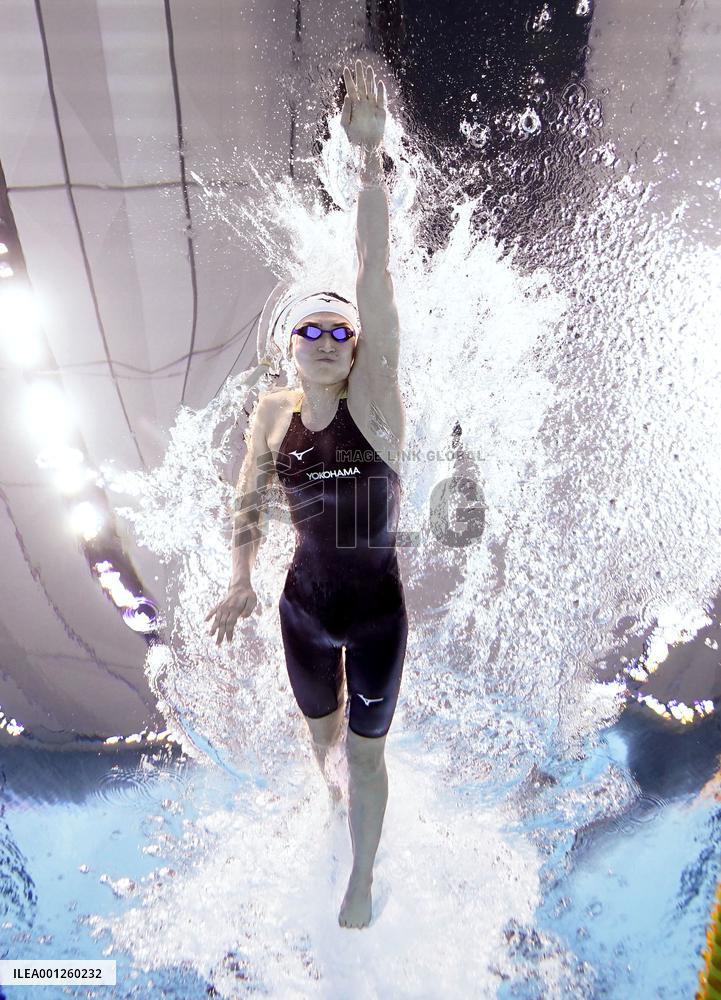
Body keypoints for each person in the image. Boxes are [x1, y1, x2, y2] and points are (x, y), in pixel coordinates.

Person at [205, 60, 407, 930]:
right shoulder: (271, 413)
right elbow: (248, 495)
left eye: (339, 332)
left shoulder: (376, 404)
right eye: (310, 330)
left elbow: (375, 279)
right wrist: (238, 578)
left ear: (356, 349)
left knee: (365, 758)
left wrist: (368, 169)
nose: (325, 339)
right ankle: (332, 810)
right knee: (321, 750)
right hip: (301, 609)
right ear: (291, 347)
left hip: (375, 614)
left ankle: (360, 877)